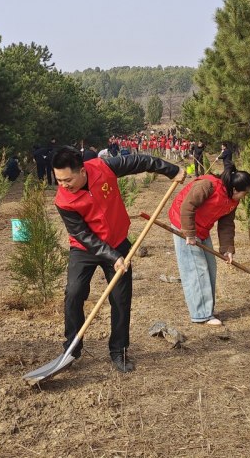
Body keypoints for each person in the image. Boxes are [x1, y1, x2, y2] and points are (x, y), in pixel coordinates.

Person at [52, 146, 185, 373]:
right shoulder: (63, 200)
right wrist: (112, 256)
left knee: (121, 300)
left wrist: (171, 170)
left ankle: (119, 351)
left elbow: (140, 161)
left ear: (82, 171)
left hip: (118, 242)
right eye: (58, 180)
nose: (63, 185)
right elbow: (82, 234)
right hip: (85, 248)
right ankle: (71, 350)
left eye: (67, 179)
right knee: (74, 293)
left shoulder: (104, 167)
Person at [168, 164, 250, 326]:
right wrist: (189, 233)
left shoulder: (232, 200)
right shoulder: (208, 186)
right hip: (183, 224)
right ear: (235, 189)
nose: (246, 196)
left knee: (210, 267)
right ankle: (201, 314)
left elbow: (226, 225)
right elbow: (188, 206)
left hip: (202, 228)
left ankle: (208, 309)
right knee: (196, 269)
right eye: (245, 192)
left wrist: (227, 249)